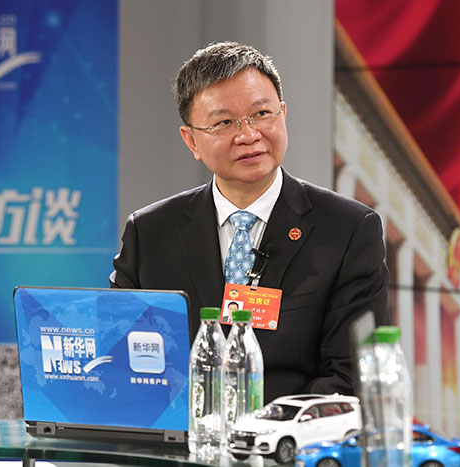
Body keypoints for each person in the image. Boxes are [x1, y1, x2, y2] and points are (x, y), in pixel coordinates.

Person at [110, 41, 389, 403]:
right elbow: (120, 355)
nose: (248, 135)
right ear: (191, 140)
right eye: (224, 122)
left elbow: (351, 374)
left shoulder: (348, 230)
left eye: (261, 114)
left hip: (291, 434)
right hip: (181, 432)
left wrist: (265, 426)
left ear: (283, 114)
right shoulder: (150, 232)